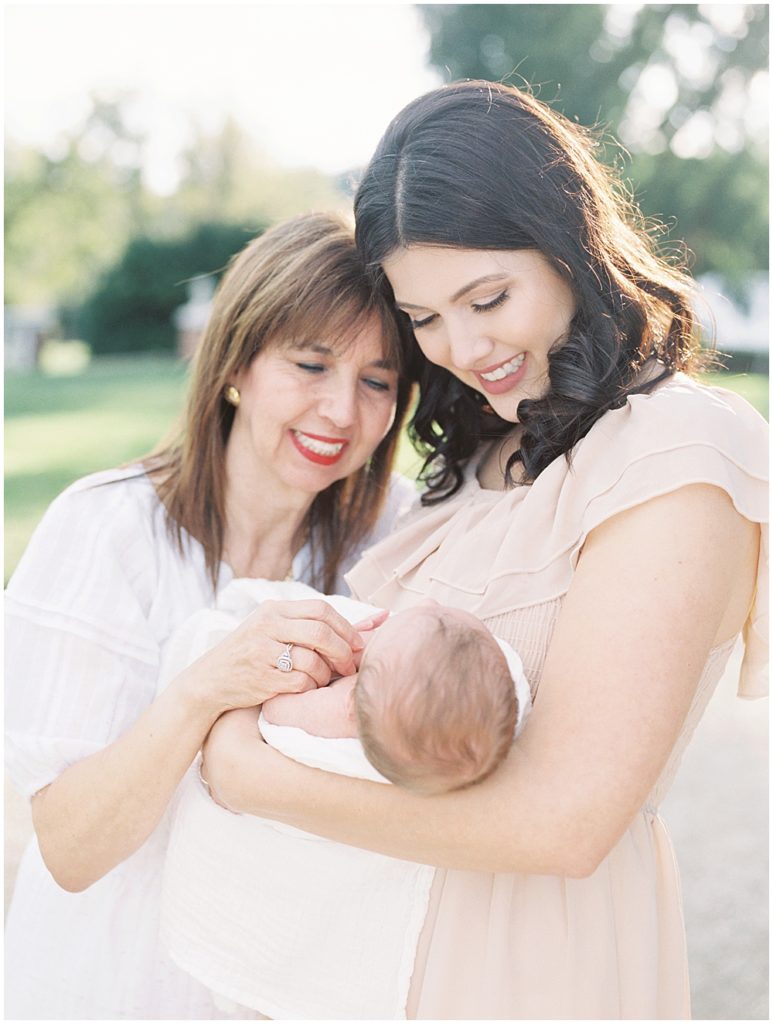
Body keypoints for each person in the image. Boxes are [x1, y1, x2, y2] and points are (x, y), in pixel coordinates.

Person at [201, 81, 769, 1020]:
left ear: (567, 244)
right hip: (363, 957)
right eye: (422, 319)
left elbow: (566, 824)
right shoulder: (479, 446)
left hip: (527, 965)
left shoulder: (672, 457)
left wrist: (250, 775)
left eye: (486, 297)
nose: (460, 347)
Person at [4, 212, 418, 1020]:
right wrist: (202, 691)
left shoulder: (394, 539)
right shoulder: (107, 529)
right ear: (234, 363)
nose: (340, 411)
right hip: (111, 985)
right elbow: (72, 847)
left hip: (289, 986)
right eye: (310, 364)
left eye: (377, 381)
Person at [158, 578, 531, 1018]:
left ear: (353, 706)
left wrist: (324, 673)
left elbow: (277, 714)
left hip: (285, 882)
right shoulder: (442, 719)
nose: (426, 602)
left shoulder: (345, 715)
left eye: (386, 631)